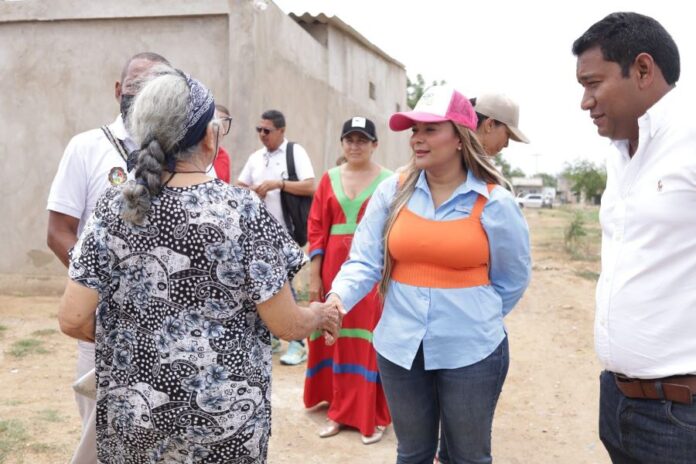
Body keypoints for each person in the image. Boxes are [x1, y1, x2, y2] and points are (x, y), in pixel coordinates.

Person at [57, 69, 340, 463]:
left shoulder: (114, 207)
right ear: (210, 135)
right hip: (222, 424)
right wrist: (319, 314)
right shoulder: (241, 212)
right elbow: (286, 325)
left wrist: (142, 345)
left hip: (135, 418)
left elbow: (72, 318)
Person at [324, 85, 531, 463]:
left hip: (473, 351)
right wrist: (338, 298)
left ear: (459, 137)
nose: (417, 139)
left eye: (430, 129)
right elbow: (364, 260)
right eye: (414, 130)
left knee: (467, 456)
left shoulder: (495, 202)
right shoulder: (393, 191)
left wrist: (475, 315)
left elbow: (512, 279)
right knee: (413, 452)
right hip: (400, 347)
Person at [573, 12, 696, 463]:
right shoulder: (620, 154)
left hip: (681, 414)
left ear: (643, 70)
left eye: (593, 83)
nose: (585, 101)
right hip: (619, 398)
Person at [46, 51, 171, 464]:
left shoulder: (178, 152)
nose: (140, 96)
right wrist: (102, 289)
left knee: (160, 433)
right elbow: (59, 231)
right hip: (102, 322)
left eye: (152, 89)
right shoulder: (87, 146)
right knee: (98, 438)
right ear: (119, 90)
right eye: (134, 87)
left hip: (164, 325)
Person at [304, 117, 392, 444]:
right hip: (333, 270)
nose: (355, 146)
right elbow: (316, 228)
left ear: (375, 144)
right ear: (342, 144)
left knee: (368, 341)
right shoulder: (328, 179)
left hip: (371, 272)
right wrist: (315, 274)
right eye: (349, 139)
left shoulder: (390, 181)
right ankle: (338, 411)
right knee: (335, 336)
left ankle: (374, 416)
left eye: (363, 140)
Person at [237, 110, 316, 366]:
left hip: (287, 233)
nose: (262, 135)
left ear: (281, 131)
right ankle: (273, 336)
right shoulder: (255, 157)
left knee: (285, 285)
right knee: (264, 286)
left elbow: (310, 185)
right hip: (259, 236)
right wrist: (252, 191)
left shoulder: (295, 153)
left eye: (267, 131)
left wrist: (278, 184)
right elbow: (238, 185)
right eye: (259, 130)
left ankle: (298, 343)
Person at [213, 104, 232, 183]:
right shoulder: (195, 153)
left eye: (224, 125)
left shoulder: (224, 156)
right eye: (217, 124)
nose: (221, 130)